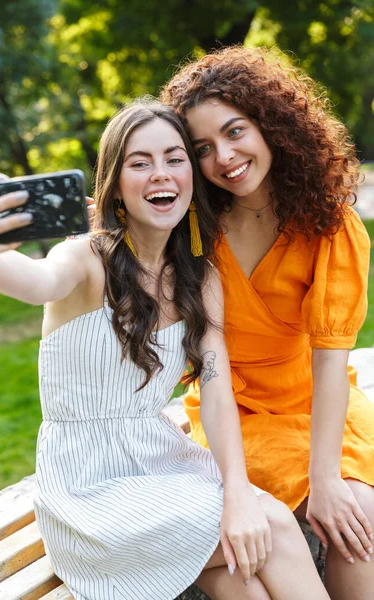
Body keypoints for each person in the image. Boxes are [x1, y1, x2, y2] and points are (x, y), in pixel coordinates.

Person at [0, 100, 330, 600]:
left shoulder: (200, 278)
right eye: (139, 163)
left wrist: (236, 495)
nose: (160, 174)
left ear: (191, 172)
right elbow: (36, 282)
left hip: (161, 464)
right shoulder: (85, 260)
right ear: (115, 182)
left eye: (174, 157)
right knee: (273, 526)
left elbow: (217, 392)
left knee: (242, 579)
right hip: (86, 492)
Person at [161, 46, 374, 600]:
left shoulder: (329, 223)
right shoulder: (195, 231)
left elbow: (332, 361)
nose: (224, 157)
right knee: (343, 518)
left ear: (271, 125)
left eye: (235, 132)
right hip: (238, 409)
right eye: (202, 148)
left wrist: (327, 478)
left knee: (358, 512)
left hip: (317, 398)